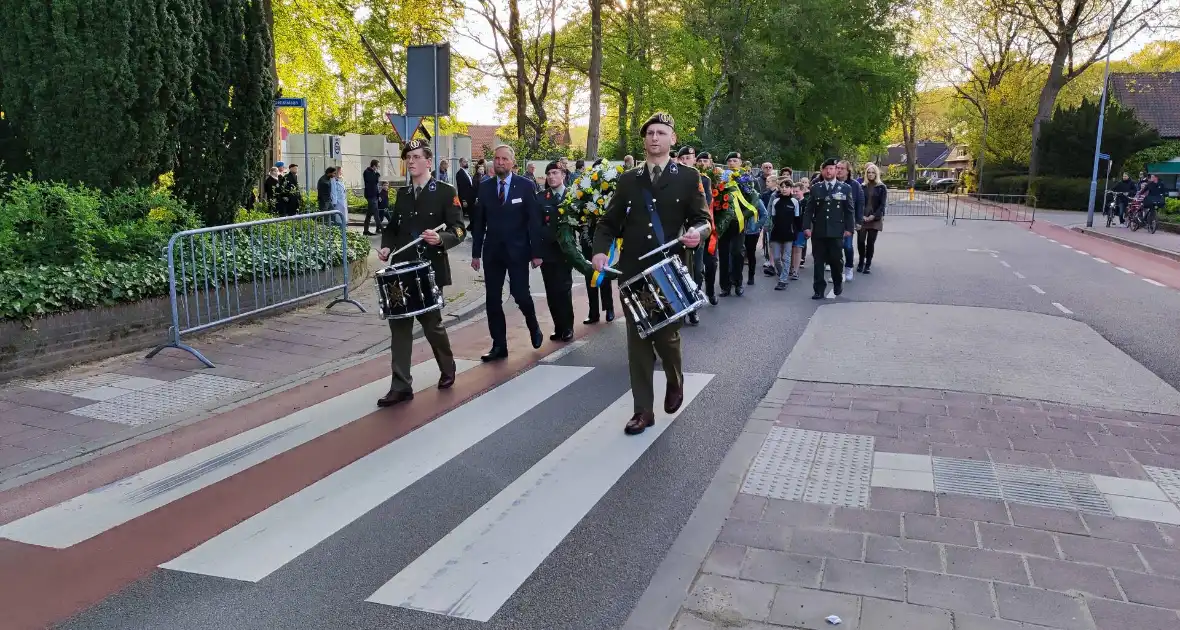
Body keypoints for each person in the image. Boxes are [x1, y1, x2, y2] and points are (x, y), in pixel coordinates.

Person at [591, 112, 711, 435]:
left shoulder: (688, 177)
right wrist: (600, 250)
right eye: (650, 133)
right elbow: (608, 223)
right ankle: (643, 410)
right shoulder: (629, 179)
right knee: (638, 341)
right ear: (644, 141)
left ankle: (675, 379)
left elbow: (704, 220)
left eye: (661, 132)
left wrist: (697, 234)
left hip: (669, 272)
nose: (654, 137)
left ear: (672, 139)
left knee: (667, 337)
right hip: (633, 273)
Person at [375, 139, 466, 406]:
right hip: (401, 269)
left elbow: (460, 229)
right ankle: (401, 385)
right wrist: (386, 246)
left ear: (428, 161)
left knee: (432, 325)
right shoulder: (402, 194)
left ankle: (447, 367)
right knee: (399, 326)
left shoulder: (446, 192)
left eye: (416, 156)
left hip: (428, 269)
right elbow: (392, 227)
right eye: (408, 157)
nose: (411, 161)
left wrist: (441, 239)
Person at [470, 144, 545, 361]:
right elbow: (478, 223)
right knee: (492, 300)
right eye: (496, 158)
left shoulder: (525, 186)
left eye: (504, 159)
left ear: (512, 162)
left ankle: (533, 325)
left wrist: (536, 253)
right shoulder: (485, 187)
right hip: (493, 252)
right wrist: (476, 253)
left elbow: (534, 221)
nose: (499, 162)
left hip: (518, 251)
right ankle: (499, 346)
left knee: (521, 295)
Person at [803, 158, 854, 299]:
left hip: (836, 231)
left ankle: (837, 283)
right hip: (819, 231)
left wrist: (849, 228)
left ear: (836, 170)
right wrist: (806, 227)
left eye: (832, 168)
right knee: (818, 261)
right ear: (822, 171)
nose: (829, 171)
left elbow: (849, 210)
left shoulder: (845, 188)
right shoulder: (816, 188)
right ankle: (818, 289)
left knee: (836, 260)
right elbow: (809, 210)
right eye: (826, 169)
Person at [537, 161, 575, 341]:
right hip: (547, 252)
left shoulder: (573, 196)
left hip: (566, 252)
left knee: (564, 289)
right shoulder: (541, 197)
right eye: (549, 173)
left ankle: (568, 326)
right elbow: (536, 227)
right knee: (551, 291)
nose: (551, 176)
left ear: (563, 175)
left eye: (555, 173)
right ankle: (558, 326)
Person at [766, 178, 797, 290]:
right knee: (777, 257)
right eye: (782, 187)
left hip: (789, 233)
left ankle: (783, 280)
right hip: (776, 232)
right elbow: (772, 217)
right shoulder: (775, 201)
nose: (784, 189)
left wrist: (796, 232)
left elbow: (797, 219)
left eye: (787, 187)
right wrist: (768, 227)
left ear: (791, 189)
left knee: (786, 257)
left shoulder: (794, 202)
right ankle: (781, 273)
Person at [836, 160, 864, 282]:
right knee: (836, 248)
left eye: (842, 168)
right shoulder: (833, 183)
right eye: (837, 168)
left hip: (848, 221)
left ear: (848, 171)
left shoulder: (854, 185)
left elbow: (860, 203)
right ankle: (836, 271)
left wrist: (858, 221)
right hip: (834, 221)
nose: (839, 170)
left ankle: (848, 267)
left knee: (847, 246)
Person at [858, 163, 887, 274]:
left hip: (875, 218)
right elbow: (859, 203)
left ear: (876, 174)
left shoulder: (881, 187)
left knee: (870, 242)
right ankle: (861, 261)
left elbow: (882, 204)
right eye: (868, 172)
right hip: (863, 218)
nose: (870, 174)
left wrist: (874, 216)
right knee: (860, 241)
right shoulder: (862, 186)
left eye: (873, 172)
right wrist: (861, 215)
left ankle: (868, 264)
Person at [363, 159, 381, 235]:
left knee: (369, 214)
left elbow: (375, 186)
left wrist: (378, 195)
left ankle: (366, 231)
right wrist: (377, 175)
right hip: (370, 196)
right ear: (374, 166)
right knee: (376, 213)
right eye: (378, 166)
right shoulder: (367, 172)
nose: (378, 168)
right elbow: (372, 182)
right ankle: (380, 228)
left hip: (374, 195)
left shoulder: (373, 173)